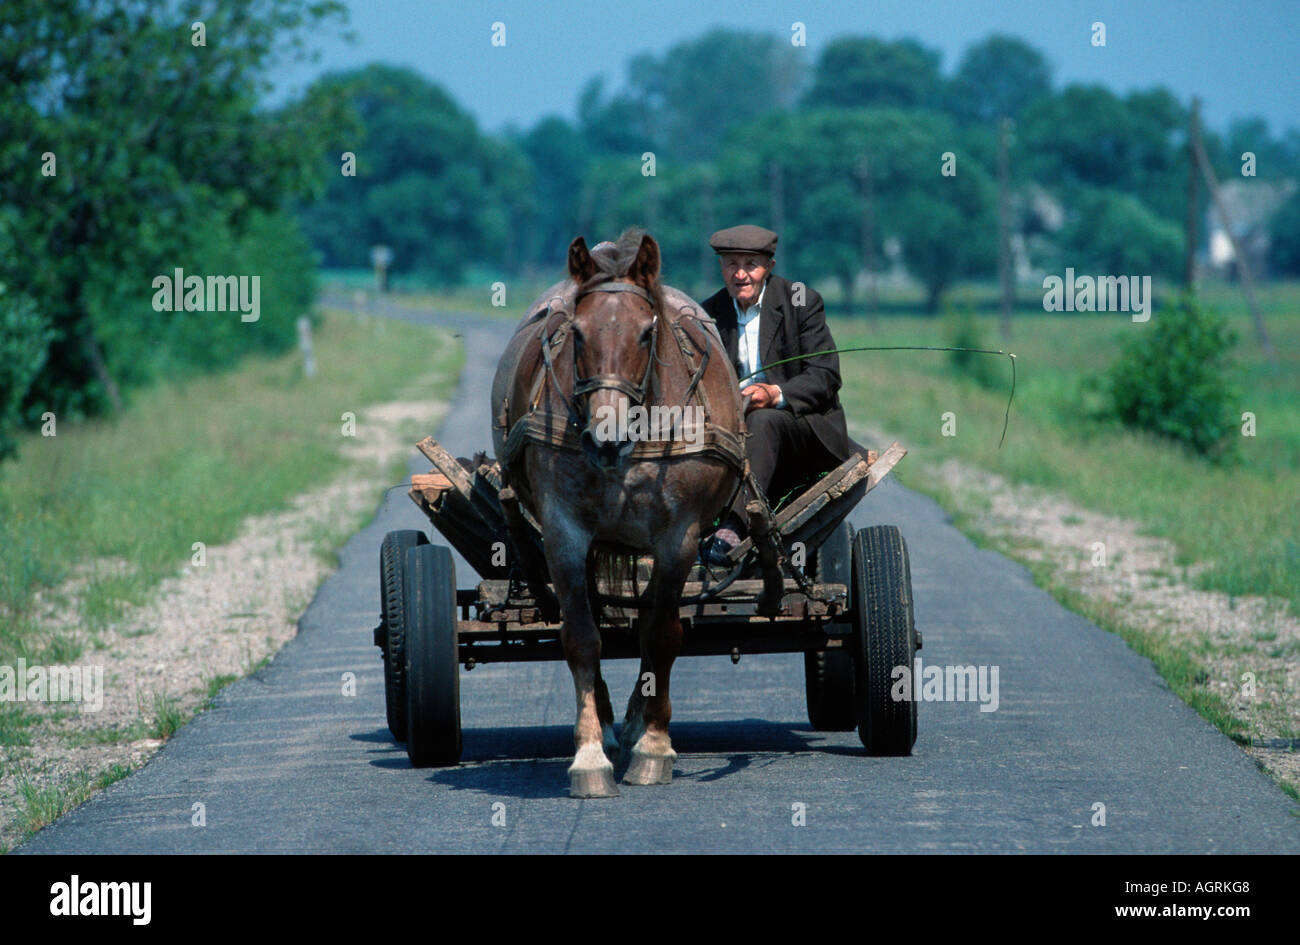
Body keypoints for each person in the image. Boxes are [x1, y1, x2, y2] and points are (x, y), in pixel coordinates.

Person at [697, 225, 857, 565]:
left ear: (768, 266)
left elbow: (825, 376)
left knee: (764, 419)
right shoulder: (707, 314)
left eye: (750, 264)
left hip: (803, 429)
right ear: (721, 267)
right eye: (731, 264)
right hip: (731, 432)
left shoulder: (802, 301)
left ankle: (733, 526)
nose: (740, 274)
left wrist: (774, 393)